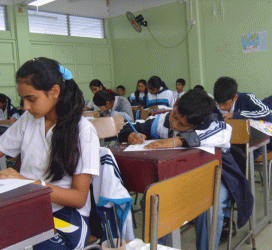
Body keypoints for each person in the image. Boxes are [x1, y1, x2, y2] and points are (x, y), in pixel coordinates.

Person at [118, 89, 253, 250]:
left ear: (198, 124)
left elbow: (224, 133)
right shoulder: (163, 121)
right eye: (175, 116)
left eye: (182, 125)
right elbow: (129, 126)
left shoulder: (213, 123)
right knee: (154, 199)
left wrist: (177, 140)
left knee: (209, 205)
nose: (174, 124)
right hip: (177, 176)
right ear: (175, 105)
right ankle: (160, 247)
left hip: (216, 177)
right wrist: (130, 135)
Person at [0, 57, 100, 249]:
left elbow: (79, 198)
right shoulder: (28, 120)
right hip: (27, 207)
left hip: (65, 215)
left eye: (31, 99)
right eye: (22, 99)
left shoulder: (82, 131)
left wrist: (28, 184)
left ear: (54, 92)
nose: (25, 107)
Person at [214, 76, 272, 243]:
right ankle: (225, 214)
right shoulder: (216, 104)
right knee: (219, 166)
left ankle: (230, 208)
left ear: (235, 97)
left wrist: (236, 115)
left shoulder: (247, 98)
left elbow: (267, 113)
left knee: (235, 169)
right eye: (219, 104)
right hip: (226, 149)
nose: (222, 108)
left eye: (225, 104)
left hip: (249, 147)